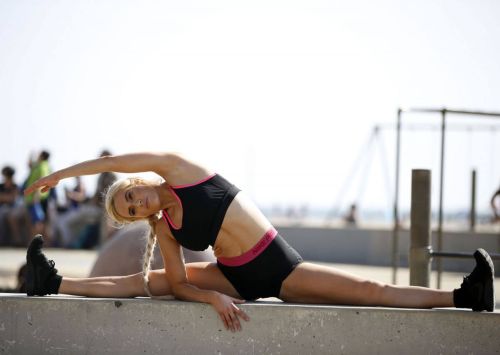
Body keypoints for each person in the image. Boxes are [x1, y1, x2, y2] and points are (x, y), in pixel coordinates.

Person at [24, 152, 495, 332]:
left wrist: (60, 175)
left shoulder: (179, 168)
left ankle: (463, 294)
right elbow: (182, 282)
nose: (136, 203)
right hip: (230, 278)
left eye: (131, 195)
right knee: (143, 282)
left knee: (371, 292)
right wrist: (210, 297)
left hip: (279, 268)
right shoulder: (163, 225)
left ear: (137, 182)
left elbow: (117, 156)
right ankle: (54, 282)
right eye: (130, 209)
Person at [0, 165, 19, 245]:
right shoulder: (1, 186)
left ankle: (16, 241)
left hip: (12, 209)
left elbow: (13, 199)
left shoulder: (15, 186)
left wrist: (4, 197)